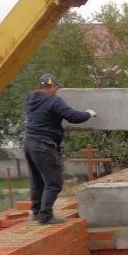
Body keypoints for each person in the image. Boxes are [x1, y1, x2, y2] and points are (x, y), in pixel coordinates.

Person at [24, 74, 96, 224]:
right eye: (56, 87)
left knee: (37, 181)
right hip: (44, 146)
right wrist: (89, 114)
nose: (57, 91)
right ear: (53, 86)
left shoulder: (31, 100)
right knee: (54, 182)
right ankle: (46, 215)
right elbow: (72, 116)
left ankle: (37, 212)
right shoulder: (53, 101)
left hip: (29, 144)